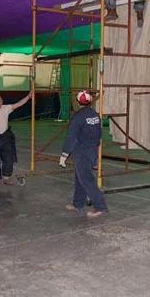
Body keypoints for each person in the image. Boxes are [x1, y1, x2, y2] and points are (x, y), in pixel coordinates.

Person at [59, 90, 108, 218]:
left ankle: (100, 206)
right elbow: (99, 133)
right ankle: (78, 203)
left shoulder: (78, 117)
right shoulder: (95, 115)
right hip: (92, 150)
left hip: (82, 151)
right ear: (90, 101)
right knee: (79, 177)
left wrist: (64, 154)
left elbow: (71, 137)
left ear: (78, 102)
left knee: (86, 179)